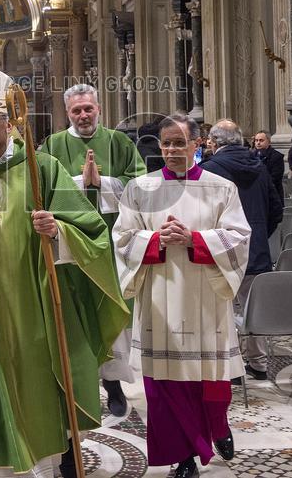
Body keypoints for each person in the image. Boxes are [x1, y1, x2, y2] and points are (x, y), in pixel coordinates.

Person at [0, 56, 129, 478]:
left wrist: (58, 230)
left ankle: (59, 453)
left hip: (40, 301)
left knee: (48, 379)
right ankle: (2, 454)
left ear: (9, 124)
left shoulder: (43, 168)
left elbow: (91, 230)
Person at [113, 112, 251, 478]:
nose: (172, 149)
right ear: (159, 147)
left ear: (196, 145)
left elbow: (239, 238)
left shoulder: (221, 188)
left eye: (180, 142)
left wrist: (195, 240)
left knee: (211, 381)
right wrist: (156, 239)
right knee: (164, 387)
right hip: (161, 299)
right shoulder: (139, 189)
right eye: (167, 143)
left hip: (206, 298)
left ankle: (218, 427)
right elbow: (122, 239)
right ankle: (183, 455)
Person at [40, 83, 146, 417]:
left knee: (109, 306)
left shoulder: (119, 141)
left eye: (88, 108)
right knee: (76, 310)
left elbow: (140, 184)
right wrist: (78, 184)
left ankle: (113, 383)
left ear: (98, 108)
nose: (83, 115)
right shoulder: (53, 145)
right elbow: (40, 188)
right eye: (76, 110)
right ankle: (77, 379)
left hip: (112, 241)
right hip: (70, 243)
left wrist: (103, 183)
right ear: (67, 112)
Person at [200, 120, 282, 382]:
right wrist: (256, 235)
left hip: (220, 248)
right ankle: (258, 363)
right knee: (252, 306)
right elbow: (276, 208)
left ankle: (230, 365)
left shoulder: (209, 170)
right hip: (255, 248)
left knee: (222, 308)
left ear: (214, 142)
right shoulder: (259, 166)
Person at [252, 131, 285, 196]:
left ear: (269, 142)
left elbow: (275, 178)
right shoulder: (251, 156)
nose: (258, 143)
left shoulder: (277, 156)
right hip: (255, 194)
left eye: (261, 140)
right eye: (256, 140)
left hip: (272, 194)